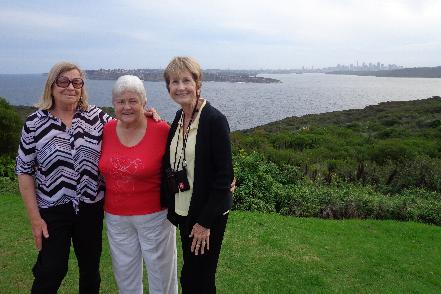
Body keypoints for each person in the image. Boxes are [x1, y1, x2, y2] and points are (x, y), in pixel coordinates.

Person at [15, 61, 159, 294]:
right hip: (53, 208)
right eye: (63, 81)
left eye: (76, 82)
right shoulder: (35, 123)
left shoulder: (96, 117)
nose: (70, 87)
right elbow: (24, 172)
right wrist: (35, 219)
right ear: (52, 86)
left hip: (90, 207)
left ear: (82, 87)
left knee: (90, 270)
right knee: (52, 269)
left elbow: (126, 124)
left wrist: (148, 114)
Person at [98, 75, 178, 294]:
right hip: (116, 217)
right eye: (120, 101)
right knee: (125, 277)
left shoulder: (161, 129)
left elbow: (186, 158)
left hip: (155, 217)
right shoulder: (106, 129)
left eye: (133, 101)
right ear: (113, 103)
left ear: (144, 102)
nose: (126, 107)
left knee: (162, 277)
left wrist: (223, 177)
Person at [162, 56, 234, 293]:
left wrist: (204, 223)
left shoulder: (214, 120)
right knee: (192, 275)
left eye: (186, 80)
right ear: (168, 87)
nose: (180, 87)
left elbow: (224, 178)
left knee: (200, 279)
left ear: (198, 84)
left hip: (206, 214)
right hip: (186, 210)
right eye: (174, 82)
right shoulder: (179, 117)